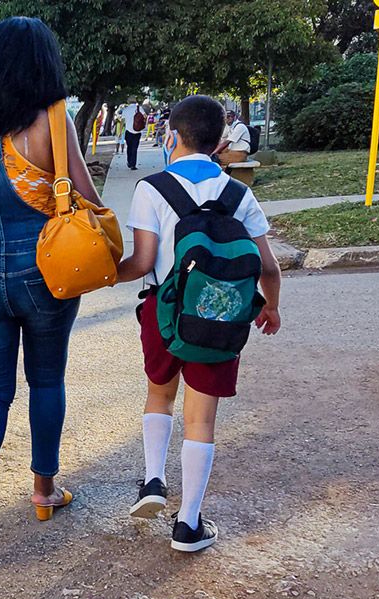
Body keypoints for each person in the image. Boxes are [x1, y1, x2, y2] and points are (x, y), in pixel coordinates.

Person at [0, 16, 103, 570]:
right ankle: (43, 490)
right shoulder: (53, 120)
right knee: (46, 380)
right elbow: (86, 196)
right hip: (44, 275)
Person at [116, 95, 282, 553]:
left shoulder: (151, 189)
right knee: (201, 418)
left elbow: (143, 261)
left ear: (171, 135)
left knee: (159, 393)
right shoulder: (239, 194)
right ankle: (188, 524)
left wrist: (102, 274)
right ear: (221, 141)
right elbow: (268, 266)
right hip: (220, 315)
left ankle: (153, 479)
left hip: (162, 312)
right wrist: (270, 307)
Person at [120, 100, 145, 169]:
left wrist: (120, 131)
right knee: (135, 148)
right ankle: (133, 164)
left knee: (129, 147)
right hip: (137, 131)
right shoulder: (139, 108)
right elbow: (145, 117)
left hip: (128, 131)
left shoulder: (125, 110)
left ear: (128, 102)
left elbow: (122, 121)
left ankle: (129, 161)